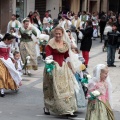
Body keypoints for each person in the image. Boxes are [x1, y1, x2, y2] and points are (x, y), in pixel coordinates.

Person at [43, 26, 78, 117]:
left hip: (63, 69)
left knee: (67, 88)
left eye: (59, 33)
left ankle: (68, 109)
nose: (58, 35)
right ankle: (47, 106)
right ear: (54, 34)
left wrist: (72, 69)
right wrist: (50, 66)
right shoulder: (50, 44)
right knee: (51, 88)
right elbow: (48, 56)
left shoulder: (65, 44)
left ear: (62, 34)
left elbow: (67, 57)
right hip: (53, 67)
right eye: (56, 33)